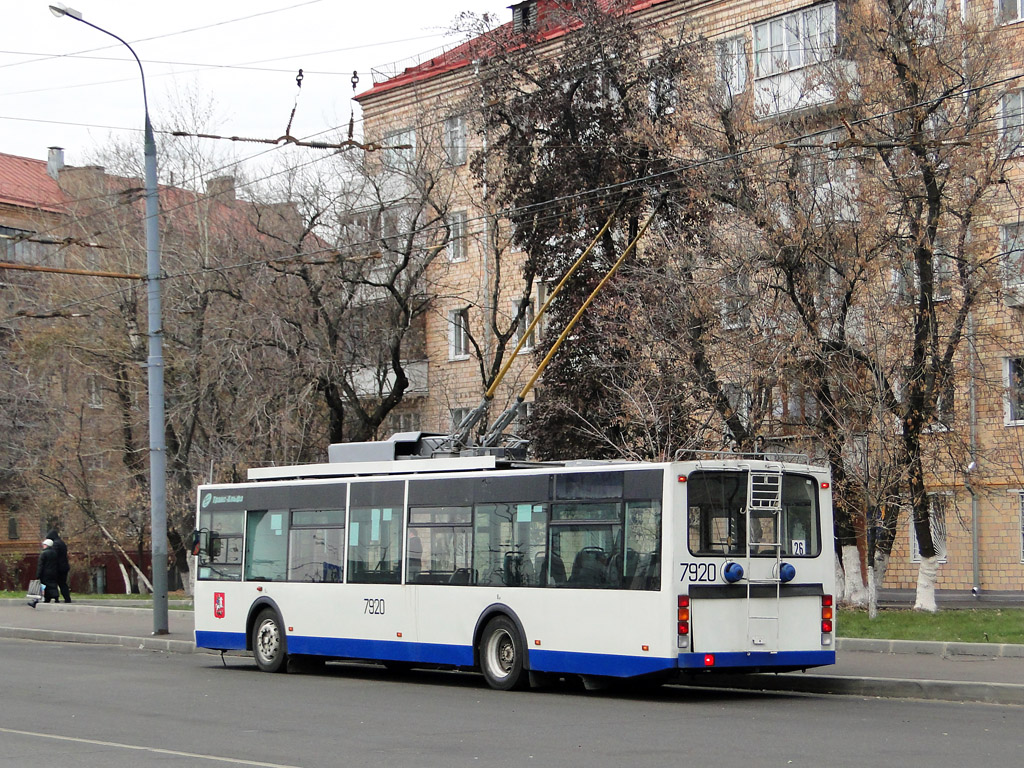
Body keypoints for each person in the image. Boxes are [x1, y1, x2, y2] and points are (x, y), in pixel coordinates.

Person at [46, 528, 71, 603]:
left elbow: (54, 555)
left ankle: (54, 598)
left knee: (55, 583)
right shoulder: (61, 543)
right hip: (64, 566)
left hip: (59, 568)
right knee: (63, 583)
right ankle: (67, 598)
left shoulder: (56, 544)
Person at [36, 539, 60, 604]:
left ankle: (47, 598)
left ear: (46, 545)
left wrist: (38, 574)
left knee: (46, 585)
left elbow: (40, 565)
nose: (43, 546)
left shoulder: (43, 553)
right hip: (54, 572)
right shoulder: (55, 553)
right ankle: (56, 597)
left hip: (45, 573)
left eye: (44, 545)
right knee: (53, 585)